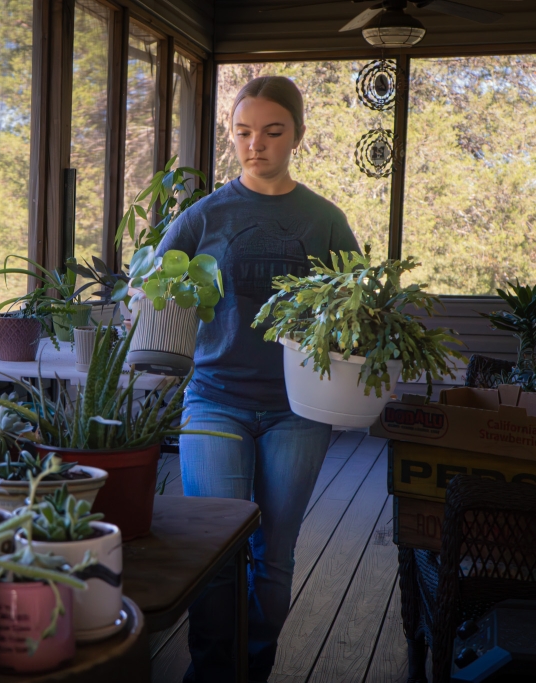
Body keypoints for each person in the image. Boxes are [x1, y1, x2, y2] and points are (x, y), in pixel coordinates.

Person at [155, 76, 361, 682]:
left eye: (272, 132)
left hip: (299, 409)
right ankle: (211, 673)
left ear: (296, 134)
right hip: (214, 399)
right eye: (244, 132)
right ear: (232, 134)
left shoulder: (324, 220)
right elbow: (156, 291)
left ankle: (253, 668)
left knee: (275, 554)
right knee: (216, 551)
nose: (256, 144)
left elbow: (359, 306)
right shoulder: (204, 216)